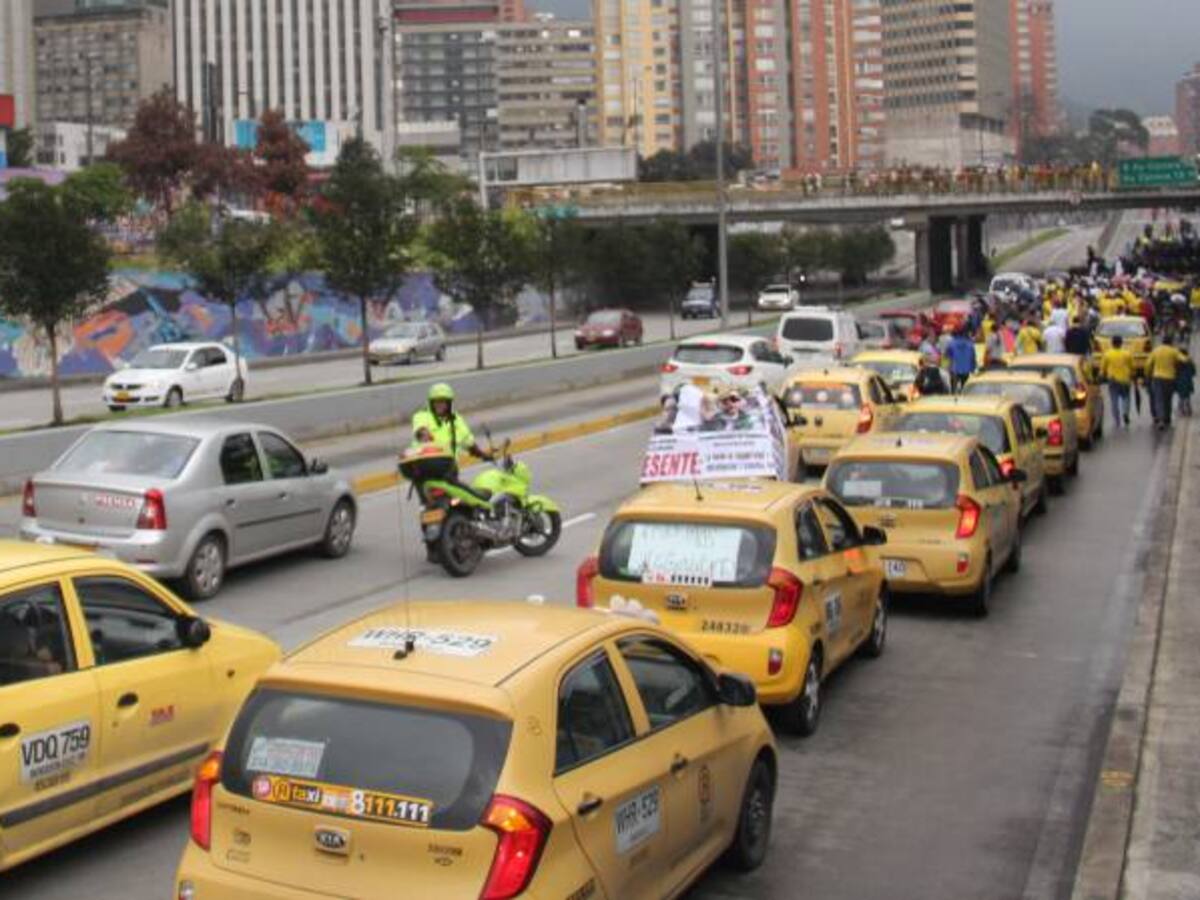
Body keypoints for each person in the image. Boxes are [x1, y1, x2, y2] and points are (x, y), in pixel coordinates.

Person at [410, 382, 493, 461]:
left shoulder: (456, 420)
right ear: (431, 403)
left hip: (448, 469)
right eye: (436, 401)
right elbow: (420, 430)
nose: (439, 405)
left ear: (449, 403)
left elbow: (469, 444)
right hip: (425, 464)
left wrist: (483, 455)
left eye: (443, 401)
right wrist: (425, 435)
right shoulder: (422, 415)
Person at [1146, 336, 1189, 430]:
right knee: (1168, 398)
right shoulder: (1173, 351)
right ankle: (1167, 418)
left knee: (1159, 399)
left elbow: (1148, 364)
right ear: (1171, 342)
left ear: (1162, 342)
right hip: (1170, 378)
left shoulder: (1156, 351)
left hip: (1157, 377)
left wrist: (1148, 375)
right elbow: (1184, 360)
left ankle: (1160, 420)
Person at [1100, 334, 1134, 428]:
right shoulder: (1127, 354)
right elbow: (1132, 367)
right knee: (1126, 398)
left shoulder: (1107, 354)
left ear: (1112, 343)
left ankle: (1117, 420)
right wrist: (1133, 375)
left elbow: (1102, 369)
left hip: (1112, 380)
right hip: (1125, 380)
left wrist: (1101, 376)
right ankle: (1125, 413)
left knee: (1114, 401)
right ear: (1121, 343)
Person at [946, 328, 977, 393]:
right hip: (966, 369)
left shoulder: (951, 343)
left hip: (955, 370)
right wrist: (973, 368)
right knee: (965, 389)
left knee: (953, 389)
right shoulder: (970, 344)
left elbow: (947, 356)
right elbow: (973, 358)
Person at [1176, 352, 1195, 418]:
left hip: (1179, 381)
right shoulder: (1189, 362)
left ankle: (1181, 410)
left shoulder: (1177, 362)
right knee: (1187, 396)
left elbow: (1175, 372)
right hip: (1188, 381)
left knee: (1181, 397)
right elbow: (1193, 372)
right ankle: (1188, 410)